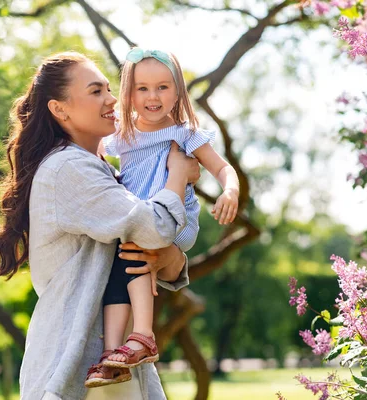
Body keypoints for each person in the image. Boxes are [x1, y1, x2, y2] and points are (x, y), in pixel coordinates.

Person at [0, 51, 200, 400]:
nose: (112, 99)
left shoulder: (101, 171)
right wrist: (177, 173)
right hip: (73, 367)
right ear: (60, 109)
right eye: (96, 91)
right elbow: (156, 228)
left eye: (108, 89)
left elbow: (156, 253)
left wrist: (170, 260)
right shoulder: (69, 169)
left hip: (112, 367)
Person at [86, 48, 240, 385]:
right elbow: (93, 154)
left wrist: (230, 191)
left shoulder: (184, 134)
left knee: (135, 244)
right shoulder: (123, 135)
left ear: (178, 91)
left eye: (163, 87)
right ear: (128, 93)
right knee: (120, 266)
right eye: (142, 88)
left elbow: (222, 167)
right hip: (139, 221)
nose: (152, 97)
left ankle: (143, 335)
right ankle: (112, 355)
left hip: (176, 222)